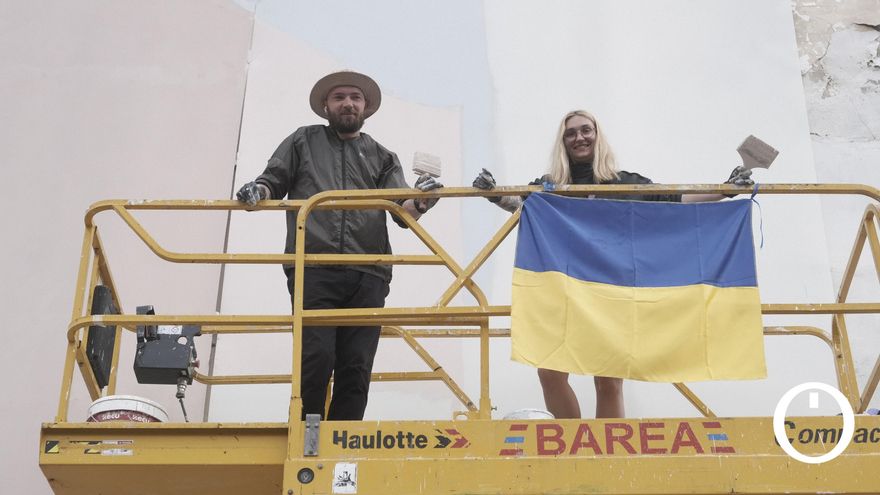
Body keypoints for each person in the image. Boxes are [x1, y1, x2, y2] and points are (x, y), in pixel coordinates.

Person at [472, 109, 753, 419]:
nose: (579, 137)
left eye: (585, 130)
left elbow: (675, 200)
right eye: (571, 133)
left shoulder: (624, 183)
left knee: (608, 381)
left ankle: (608, 458)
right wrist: (493, 194)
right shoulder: (550, 185)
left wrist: (724, 190)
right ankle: (573, 450)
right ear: (562, 142)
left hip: (611, 290)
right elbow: (522, 205)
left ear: (597, 135)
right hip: (563, 292)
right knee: (550, 373)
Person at [236, 71, 443, 421]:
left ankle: (343, 441)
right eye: (339, 97)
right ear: (325, 106)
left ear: (365, 107)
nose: (348, 103)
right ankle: (308, 435)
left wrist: (424, 199)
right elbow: (273, 180)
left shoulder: (382, 156)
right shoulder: (303, 141)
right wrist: (258, 190)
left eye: (355, 98)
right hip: (313, 266)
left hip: (369, 271)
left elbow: (403, 212)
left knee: (357, 365)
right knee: (315, 358)